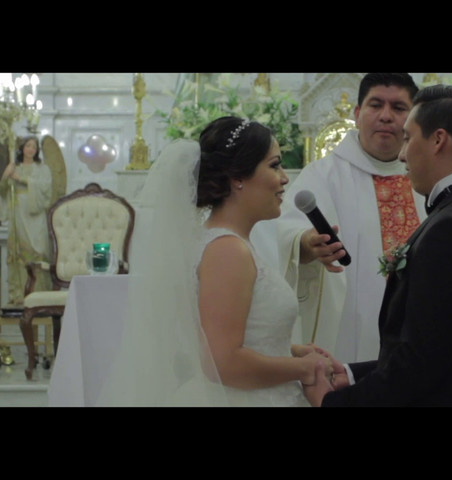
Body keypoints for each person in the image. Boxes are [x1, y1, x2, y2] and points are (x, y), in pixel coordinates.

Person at [303, 84, 452, 407]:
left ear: (438, 140)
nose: (402, 153)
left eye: (408, 138)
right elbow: (440, 349)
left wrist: (333, 403)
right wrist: (351, 374)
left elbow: (419, 366)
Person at [97, 116, 332, 407]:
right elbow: (222, 363)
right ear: (237, 179)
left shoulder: (231, 243)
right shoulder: (227, 251)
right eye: (274, 165)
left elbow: (240, 333)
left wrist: (292, 350)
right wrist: (305, 369)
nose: (284, 178)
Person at [276, 73, 426, 363]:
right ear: (357, 114)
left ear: (414, 118)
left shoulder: (427, 175)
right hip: (349, 327)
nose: (385, 116)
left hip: (420, 321)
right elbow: (283, 232)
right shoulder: (323, 174)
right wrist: (307, 243)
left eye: (398, 108)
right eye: (375, 105)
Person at [0, 136, 52, 306]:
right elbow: (3, 191)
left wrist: (21, 179)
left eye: (34, 147)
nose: (31, 149)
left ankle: (39, 293)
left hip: (35, 215)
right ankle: (20, 293)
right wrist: (6, 176)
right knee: (20, 251)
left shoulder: (42, 169)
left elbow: (45, 189)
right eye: (28, 146)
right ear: (22, 148)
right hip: (19, 213)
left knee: (38, 250)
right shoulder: (15, 167)